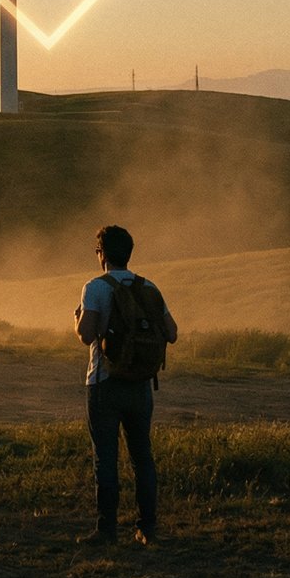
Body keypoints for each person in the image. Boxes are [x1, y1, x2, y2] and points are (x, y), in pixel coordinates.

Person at [74, 224, 179, 547]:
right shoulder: (148, 287)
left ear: (101, 255)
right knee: (142, 457)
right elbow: (172, 333)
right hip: (141, 386)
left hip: (104, 383)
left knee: (106, 458)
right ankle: (147, 528)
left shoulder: (95, 287)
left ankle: (106, 531)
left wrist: (77, 316)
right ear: (129, 253)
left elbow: (87, 335)